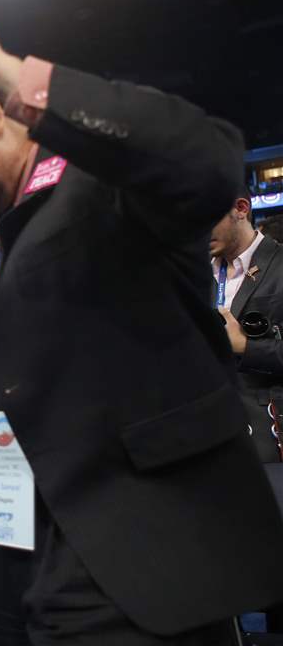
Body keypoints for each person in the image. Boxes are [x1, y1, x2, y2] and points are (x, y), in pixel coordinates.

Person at [0, 15, 283, 644]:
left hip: (130, 540)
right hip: (13, 526)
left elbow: (205, 157)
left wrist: (16, 74)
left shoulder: (107, 183)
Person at [209, 192, 283, 633]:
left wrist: (245, 347)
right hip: (212, 447)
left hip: (272, 446)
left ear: (241, 207)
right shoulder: (197, 274)